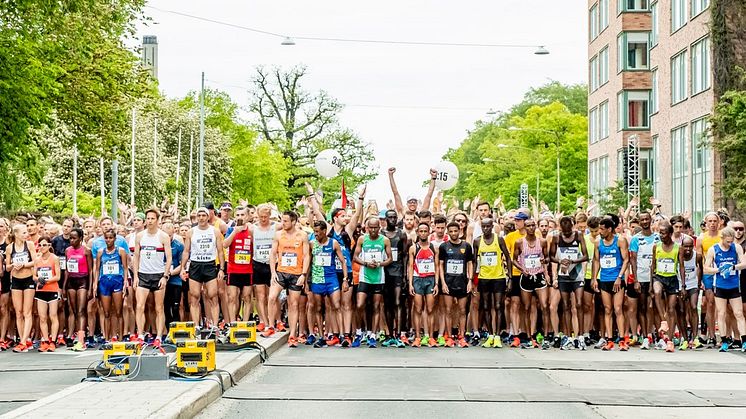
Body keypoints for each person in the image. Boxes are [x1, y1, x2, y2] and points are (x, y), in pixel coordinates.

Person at [268, 211, 310, 348]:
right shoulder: (278, 235)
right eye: (282, 220)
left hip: (296, 273)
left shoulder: (302, 235)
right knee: (272, 297)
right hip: (281, 271)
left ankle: (292, 335)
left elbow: (306, 256)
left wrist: (304, 274)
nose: (283, 223)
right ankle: (270, 326)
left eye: (286, 221)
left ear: (293, 222)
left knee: (293, 304)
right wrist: (273, 272)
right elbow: (273, 254)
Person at [703, 226, 746, 352]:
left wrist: (732, 267)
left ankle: (744, 340)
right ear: (722, 238)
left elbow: (744, 264)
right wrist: (718, 270)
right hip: (720, 286)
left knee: (738, 313)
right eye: (728, 241)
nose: (730, 244)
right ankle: (724, 341)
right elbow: (706, 268)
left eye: (731, 241)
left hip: (734, 285)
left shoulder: (736, 247)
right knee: (721, 313)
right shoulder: (714, 250)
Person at [133, 208, 172, 347]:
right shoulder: (140, 236)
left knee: (159, 307)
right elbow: (136, 257)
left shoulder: (163, 236)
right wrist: (136, 276)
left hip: (158, 275)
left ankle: (159, 336)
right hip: (143, 275)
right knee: (139, 306)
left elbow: (169, 258)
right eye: (148, 218)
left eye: (152, 218)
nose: (149, 221)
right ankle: (141, 334)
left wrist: (165, 276)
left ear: (157, 220)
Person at [549, 216, 589, 349]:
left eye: (568, 230)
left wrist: (573, 261)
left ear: (572, 226)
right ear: (560, 227)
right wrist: (561, 261)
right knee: (565, 305)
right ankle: (567, 336)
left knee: (578, 304)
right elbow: (551, 256)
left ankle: (581, 336)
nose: (566, 233)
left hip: (577, 274)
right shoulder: (556, 237)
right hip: (563, 274)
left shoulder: (578, 235)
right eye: (564, 231)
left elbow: (585, 256)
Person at [180, 207, 224, 331]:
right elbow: (186, 251)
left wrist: (221, 268)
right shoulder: (191, 232)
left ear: (208, 216)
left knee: (212, 295)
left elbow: (220, 251)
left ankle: (214, 325)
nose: (201, 218)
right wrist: (183, 267)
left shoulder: (214, 231)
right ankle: (196, 325)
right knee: (194, 296)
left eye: (203, 215)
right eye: (199, 215)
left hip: (210, 265)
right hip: (195, 265)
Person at [591, 215, 630, 351]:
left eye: (602, 229)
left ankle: (623, 339)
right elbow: (596, 260)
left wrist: (620, 277)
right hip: (605, 279)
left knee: (618, 309)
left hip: (617, 279)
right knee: (607, 309)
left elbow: (626, 260)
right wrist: (594, 278)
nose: (600, 232)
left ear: (609, 229)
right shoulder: (598, 242)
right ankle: (609, 339)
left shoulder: (620, 241)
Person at [353, 216, 392, 348]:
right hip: (365, 277)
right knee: (359, 304)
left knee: (376, 306)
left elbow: (390, 259)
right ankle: (359, 332)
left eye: (376, 228)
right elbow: (355, 257)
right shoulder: (362, 239)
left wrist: (380, 264)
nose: (373, 230)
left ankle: (373, 335)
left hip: (378, 278)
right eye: (371, 228)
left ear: (379, 228)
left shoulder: (384, 240)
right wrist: (365, 263)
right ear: (367, 228)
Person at [473, 217, 512, 348]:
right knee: (485, 306)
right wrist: (472, 279)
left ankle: (497, 336)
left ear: (492, 226)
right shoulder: (477, 241)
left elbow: (507, 256)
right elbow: (474, 261)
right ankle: (490, 335)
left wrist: (510, 277)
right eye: (483, 227)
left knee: (498, 305)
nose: (486, 229)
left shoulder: (499, 239)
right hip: (484, 277)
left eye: (488, 226)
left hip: (498, 277)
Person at [308, 220, 348, 347]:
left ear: (324, 231)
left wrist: (345, 279)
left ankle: (342, 335)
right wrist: (305, 279)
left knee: (337, 305)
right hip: (317, 279)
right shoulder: (312, 244)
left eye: (318, 232)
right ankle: (321, 336)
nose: (315, 234)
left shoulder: (333, 243)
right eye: (314, 232)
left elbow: (343, 261)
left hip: (331, 278)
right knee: (318, 308)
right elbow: (308, 262)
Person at [512, 218, 550, 348]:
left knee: (544, 305)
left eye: (533, 225)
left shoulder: (542, 241)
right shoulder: (519, 242)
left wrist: (544, 261)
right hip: (526, 277)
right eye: (528, 226)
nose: (531, 228)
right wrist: (523, 269)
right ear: (525, 227)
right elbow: (514, 260)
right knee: (526, 307)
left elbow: (547, 257)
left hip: (539, 276)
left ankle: (545, 337)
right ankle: (529, 337)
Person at [650, 221, 686, 352]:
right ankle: (663, 321)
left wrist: (683, 285)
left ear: (670, 234)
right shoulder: (656, 246)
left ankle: (669, 340)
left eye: (664, 233)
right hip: (659, 276)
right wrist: (650, 284)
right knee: (657, 292)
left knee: (672, 310)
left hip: (672, 278)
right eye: (660, 233)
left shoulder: (678, 248)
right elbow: (653, 265)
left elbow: (681, 267)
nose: (661, 235)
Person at [439, 221, 475, 348]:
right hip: (448, 282)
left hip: (462, 282)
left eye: (456, 231)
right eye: (451, 231)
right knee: (448, 311)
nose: (453, 233)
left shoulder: (466, 246)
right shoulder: (443, 246)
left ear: (460, 231)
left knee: (462, 310)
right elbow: (440, 265)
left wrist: (470, 281)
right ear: (447, 232)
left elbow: (470, 263)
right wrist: (442, 283)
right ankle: (449, 337)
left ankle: (462, 336)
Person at [627, 212, 659, 346]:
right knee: (642, 307)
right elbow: (632, 260)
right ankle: (644, 336)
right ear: (639, 222)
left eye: (647, 219)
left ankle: (652, 334)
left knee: (652, 307)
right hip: (641, 277)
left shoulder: (658, 237)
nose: (645, 221)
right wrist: (635, 280)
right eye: (642, 220)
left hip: (655, 277)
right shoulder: (635, 239)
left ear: (650, 220)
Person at [93, 230, 128, 342]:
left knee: (118, 311)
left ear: (115, 239)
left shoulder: (120, 251)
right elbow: (97, 269)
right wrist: (95, 283)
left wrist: (126, 282)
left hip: (117, 280)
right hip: (104, 282)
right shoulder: (100, 252)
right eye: (106, 238)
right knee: (106, 312)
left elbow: (125, 268)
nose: (108, 240)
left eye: (110, 238)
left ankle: (121, 338)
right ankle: (107, 339)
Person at [408, 222, 439, 347]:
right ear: (417, 232)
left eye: (425, 231)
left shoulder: (434, 248)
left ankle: (431, 337)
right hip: (417, 279)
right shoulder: (413, 248)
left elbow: (437, 266)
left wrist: (437, 283)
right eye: (421, 231)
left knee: (431, 309)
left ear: (429, 232)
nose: (423, 233)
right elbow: (410, 267)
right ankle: (417, 337)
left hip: (430, 279)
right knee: (418, 309)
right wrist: (410, 284)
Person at [382, 209, 409, 347]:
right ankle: (389, 334)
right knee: (387, 304)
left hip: (397, 271)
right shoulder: (381, 234)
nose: (392, 220)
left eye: (394, 217)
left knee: (398, 302)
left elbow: (405, 255)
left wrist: (405, 275)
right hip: (384, 272)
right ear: (386, 219)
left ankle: (398, 334)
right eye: (390, 217)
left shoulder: (401, 234)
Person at [224, 206, 254, 323]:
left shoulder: (251, 230)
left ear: (247, 216)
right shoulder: (231, 230)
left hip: (248, 269)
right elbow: (225, 244)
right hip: (233, 268)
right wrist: (235, 231)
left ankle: (245, 323)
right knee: (232, 297)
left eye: (242, 215)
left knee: (246, 297)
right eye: (238, 215)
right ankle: (232, 322)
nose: (240, 217)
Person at [63, 228, 92, 351]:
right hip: (71, 281)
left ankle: (81, 338)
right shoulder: (68, 250)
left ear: (80, 238)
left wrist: (91, 288)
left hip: (83, 280)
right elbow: (67, 270)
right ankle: (71, 335)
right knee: (72, 310)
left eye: (74, 238)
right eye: (70, 238)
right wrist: (64, 287)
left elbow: (91, 271)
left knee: (81, 310)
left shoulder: (86, 251)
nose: (72, 240)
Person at [504, 210, 529, 347]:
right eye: (515, 220)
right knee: (514, 303)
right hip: (515, 273)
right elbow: (507, 256)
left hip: (530, 274)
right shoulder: (510, 237)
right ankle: (515, 334)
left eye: (519, 220)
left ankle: (526, 332)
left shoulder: (533, 235)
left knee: (527, 305)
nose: (516, 222)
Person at [253, 204, 279, 333]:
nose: (263, 219)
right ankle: (264, 321)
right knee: (260, 295)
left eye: (266, 216)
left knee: (273, 295)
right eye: (261, 216)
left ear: (269, 215)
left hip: (272, 264)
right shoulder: (254, 228)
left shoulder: (275, 226)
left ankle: (276, 320)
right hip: (258, 263)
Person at [697, 212, 721, 347]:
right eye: (710, 221)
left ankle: (723, 334)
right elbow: (699, 260)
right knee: (710, 303)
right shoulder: (701, 239)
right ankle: (711, 335)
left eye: (714, 221)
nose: (712, 223)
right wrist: (699, 278)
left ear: (718, 223)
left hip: (722, 273)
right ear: (705, 223)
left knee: (721, 304)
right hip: (708, 273)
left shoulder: (722, 236)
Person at [34, 235, 61, 352]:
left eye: (45, 245)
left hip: (52, 289)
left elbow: (58, 276)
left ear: (49, 246)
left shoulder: (54, 258)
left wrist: (47, 281)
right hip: (41, 290)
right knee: (42, 317)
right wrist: (38, 279)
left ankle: (53, 341)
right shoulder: (37, 259)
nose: (42, 247)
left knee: (53, 315)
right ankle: (45, 340)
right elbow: (34, 275)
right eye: (40, 245)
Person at [162, 222, 184, 327]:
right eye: (165, 235)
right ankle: (167, 329)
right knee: (165, 306)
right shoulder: (157, 245)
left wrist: (170, 273)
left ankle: (177, 328)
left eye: (169, 235)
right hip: (161, 280)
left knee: (176, 306)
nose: (167, 238)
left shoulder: (179, 245)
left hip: (175, 279)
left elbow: (182, 264)